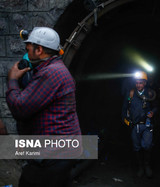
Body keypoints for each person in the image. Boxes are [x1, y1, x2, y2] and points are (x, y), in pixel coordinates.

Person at [6, 27, 81, 186]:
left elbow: (20, 108)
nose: (27, 53)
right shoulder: (54, 69)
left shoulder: (51, 73)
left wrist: (12, 80)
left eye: (28, 49)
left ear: (39, 49)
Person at [122, 71, 157, 178]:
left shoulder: (150, 93)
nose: (138, 85)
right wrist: (127, 122)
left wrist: (153, 112)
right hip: (134, 126)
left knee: (146, 146)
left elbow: (157, 106)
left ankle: (147, 166)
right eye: (137, 83)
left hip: (146, 126)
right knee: (136, 147)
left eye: (141, 83)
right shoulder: (131, 93)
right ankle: (140, 167)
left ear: (145, 83)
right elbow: (124, 109)